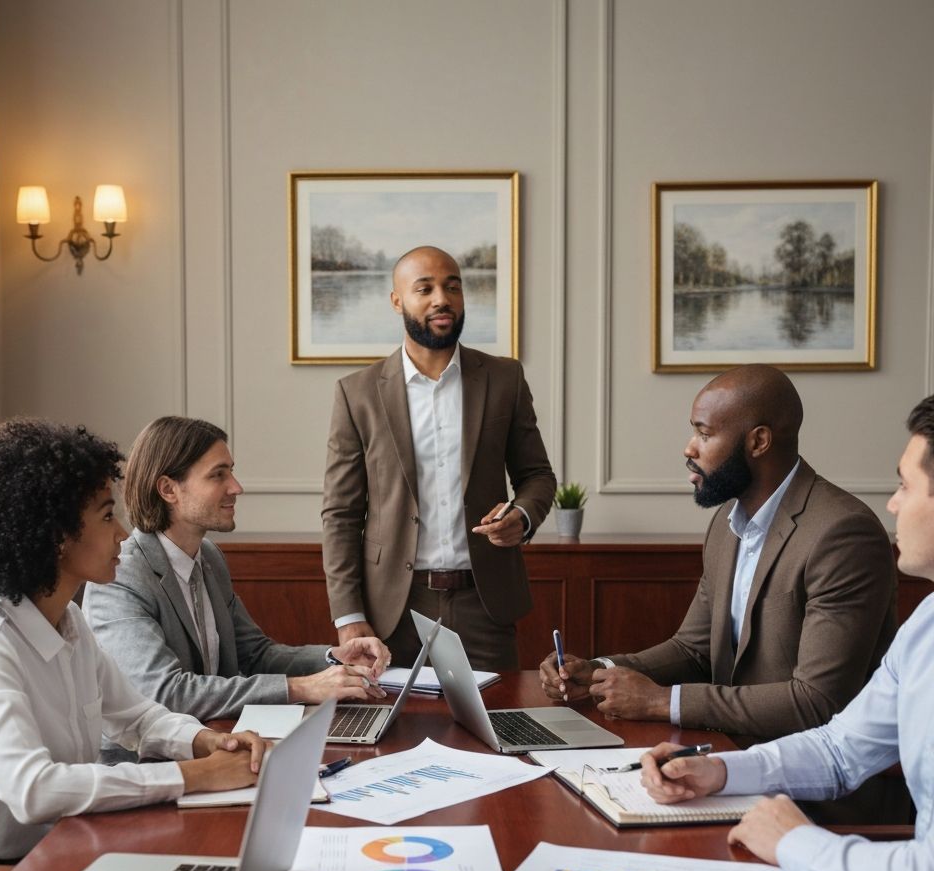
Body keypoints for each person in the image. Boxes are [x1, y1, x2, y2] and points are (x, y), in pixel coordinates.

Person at [0, 419, 268, 871]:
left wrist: (205, 740)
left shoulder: (71, 622)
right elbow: (34, 792)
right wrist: (196, 776)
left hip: (58, 858)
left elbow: (138, 717)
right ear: (57, 536)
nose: (124, 535)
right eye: (108, 516)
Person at [638, 395, 934, 871]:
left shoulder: (841, 530)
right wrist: (721, 772)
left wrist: (794, 840)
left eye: (905, 486)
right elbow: (839, 747)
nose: (892, 505)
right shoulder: (928, 624)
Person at [541, 364, 897, 741]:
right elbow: (693, 649)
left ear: (758, 442)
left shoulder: (843, 535)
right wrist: (599, 670)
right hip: (731, 752)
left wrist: (663, 702)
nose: (689, 447)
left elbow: (816, 701)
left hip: (813, 786)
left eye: (704, 433)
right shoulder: (727, 520)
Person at [322, 245, 556, 670]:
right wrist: (349, 615)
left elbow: (538, 476)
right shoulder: (357, 393)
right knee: (388, 732)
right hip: (392, 610)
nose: (441, 299)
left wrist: (521, 516)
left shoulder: (504, 379)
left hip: (484, 604)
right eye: (424, 288)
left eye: (452, 287)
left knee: (496, 729)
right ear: (398, 301)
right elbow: (340, 513)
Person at [84, 416, 389, 727]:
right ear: (168, 489)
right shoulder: (123, 574)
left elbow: (256, 655)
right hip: (145, 764)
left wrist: (335, 657)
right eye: (218, 475)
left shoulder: (210, 558)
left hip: (217, 740)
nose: (236, 487)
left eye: (231, 471)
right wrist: (301, 687)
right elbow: (165, 693)